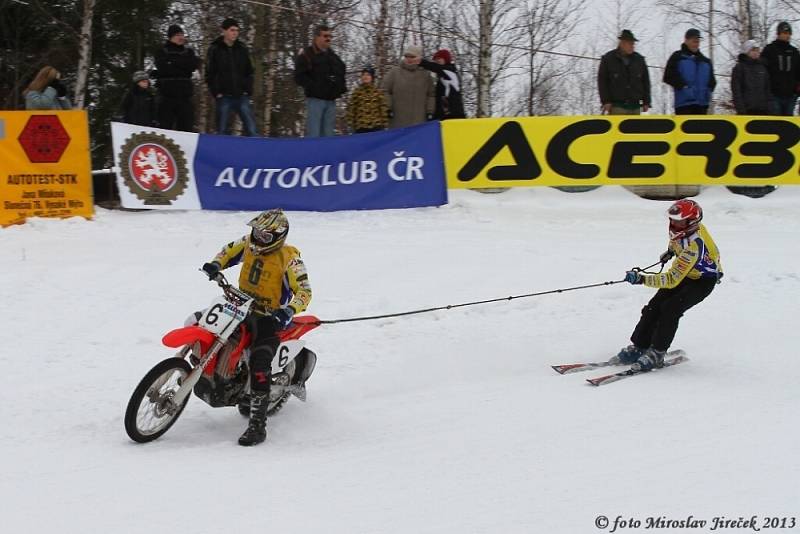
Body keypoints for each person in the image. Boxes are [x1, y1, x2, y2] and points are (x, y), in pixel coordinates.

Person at [201, 209, 312, 446]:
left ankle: (257, 426)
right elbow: (228, 250)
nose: (259, 238)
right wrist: (215, 264)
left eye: (265, 235)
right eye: (257, 232)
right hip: (238, 304)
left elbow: (304, 291)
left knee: (259, 362)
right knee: (202, 324)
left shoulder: (290, 258)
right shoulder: (248, 243)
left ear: (278, 236)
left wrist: (288, 310)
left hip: (267, 317)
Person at [615, 199, 722, 372]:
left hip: (702, 281)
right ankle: (639, 346)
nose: (674, 224)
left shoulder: (695, 246)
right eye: (672, 219)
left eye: (679, 221)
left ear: (691, 222)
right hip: (688, 273)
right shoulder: (683, 231)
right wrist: (671, 252)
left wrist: (641, 279)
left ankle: (657, 353)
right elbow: (676, 242)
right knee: (653, 306)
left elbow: (671, 280)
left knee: (670, 309)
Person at [205, 18, 257, 136]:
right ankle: (220, 153)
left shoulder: (243, 49)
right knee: (222, 131)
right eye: (232, 30)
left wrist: (248, 90)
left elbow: (250, 71)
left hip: (241, 95)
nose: (235, 33)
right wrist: (216, 92)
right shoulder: (214, 49)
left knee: (252, 129)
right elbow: (209, 73)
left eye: (237, 30)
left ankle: (256, 152)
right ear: (224, 31)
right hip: (224, 96)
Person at [294, 25, 347, 137]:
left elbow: (342, 70)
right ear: (317, 37)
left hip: (331, 101)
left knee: (328, 135)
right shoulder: (307, 54)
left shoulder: (333, 56)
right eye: (325, 36)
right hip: (315, 101)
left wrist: (339, 88)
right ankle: (312, 154)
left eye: (330, 36)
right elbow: (299, 76)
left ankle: (327, 154)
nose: (328, 38)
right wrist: (314, 87)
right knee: (314, 134)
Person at [153, 24, 201, 131]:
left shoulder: (189, 52)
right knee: (164, 128)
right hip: (167, 95)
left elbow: (192, 65)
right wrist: (182, 64)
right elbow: (163, 68)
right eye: (177, 35)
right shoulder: (161, 51)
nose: (181, 37)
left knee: (186, 128)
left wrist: (172, 62)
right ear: (171, 37)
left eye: (182, 34)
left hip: (185, 95)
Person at [597, 29, 651, 115]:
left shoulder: (639, 60)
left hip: (635, 106)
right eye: (630, 43)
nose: (632, 46)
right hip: (617, 106)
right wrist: (606, 101)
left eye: (633, 44)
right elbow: (602, 82)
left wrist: (646, 102)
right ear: (622, 43)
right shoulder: (608, 59)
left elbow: (646, 82)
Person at [663, 29, 716, 114]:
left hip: (702, 105)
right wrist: (683, 87)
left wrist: (708, 92)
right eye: (694, 41)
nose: (696, 44)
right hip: (684, 105)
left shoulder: (706, 61)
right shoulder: (677, 57)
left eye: (698, 42)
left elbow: (712, 82)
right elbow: (668, 76)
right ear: (686, 40)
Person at [381, 46, 435, 128]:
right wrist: (388, 108)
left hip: (419, 122)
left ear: (419, 58)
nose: (409, 59)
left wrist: (430, 111)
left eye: (412, 57)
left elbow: (431, 94)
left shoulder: (426, 75)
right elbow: (385, 90)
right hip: (397, 122)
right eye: (406, 56)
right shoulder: (394, 72)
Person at [760, 21, 800, 116]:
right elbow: (763, 71)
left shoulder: (794, 52)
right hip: (774, 94)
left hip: (791, 95)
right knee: (776, 121)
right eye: (784, 33)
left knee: (788, 122)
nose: (787, 36)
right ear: (778, 34)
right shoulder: (769, 50)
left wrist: (797, 88)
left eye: (789, 33)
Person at [419, 49, 466, 120]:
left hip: (454, 115)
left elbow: (436, 67)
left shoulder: (450, 71)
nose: (437, 61)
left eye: (439, 58)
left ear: (446, 59)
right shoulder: (442, 76)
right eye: (435, 59)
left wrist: (420, 62)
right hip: (444, 115)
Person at [731, 40, 771, 115]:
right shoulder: (739, 68)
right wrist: (741, 109)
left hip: (762, 110)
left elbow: (767, 89)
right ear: (747, 51)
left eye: (757, 50)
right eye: (753, 50)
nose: (755, 52)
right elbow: (736, 90)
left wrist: (768, 107)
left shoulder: (763, 68)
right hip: (746, 110)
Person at [345, 66, 388, 133]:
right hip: (361, 126)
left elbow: (383, 108)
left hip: (376, 126)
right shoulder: (357, 92)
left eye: (368, 75)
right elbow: (351, 109)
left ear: (372, 77)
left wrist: (385, 123)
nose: (365, 77)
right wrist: (350, 123)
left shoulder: (377, 92)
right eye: (363, 75)